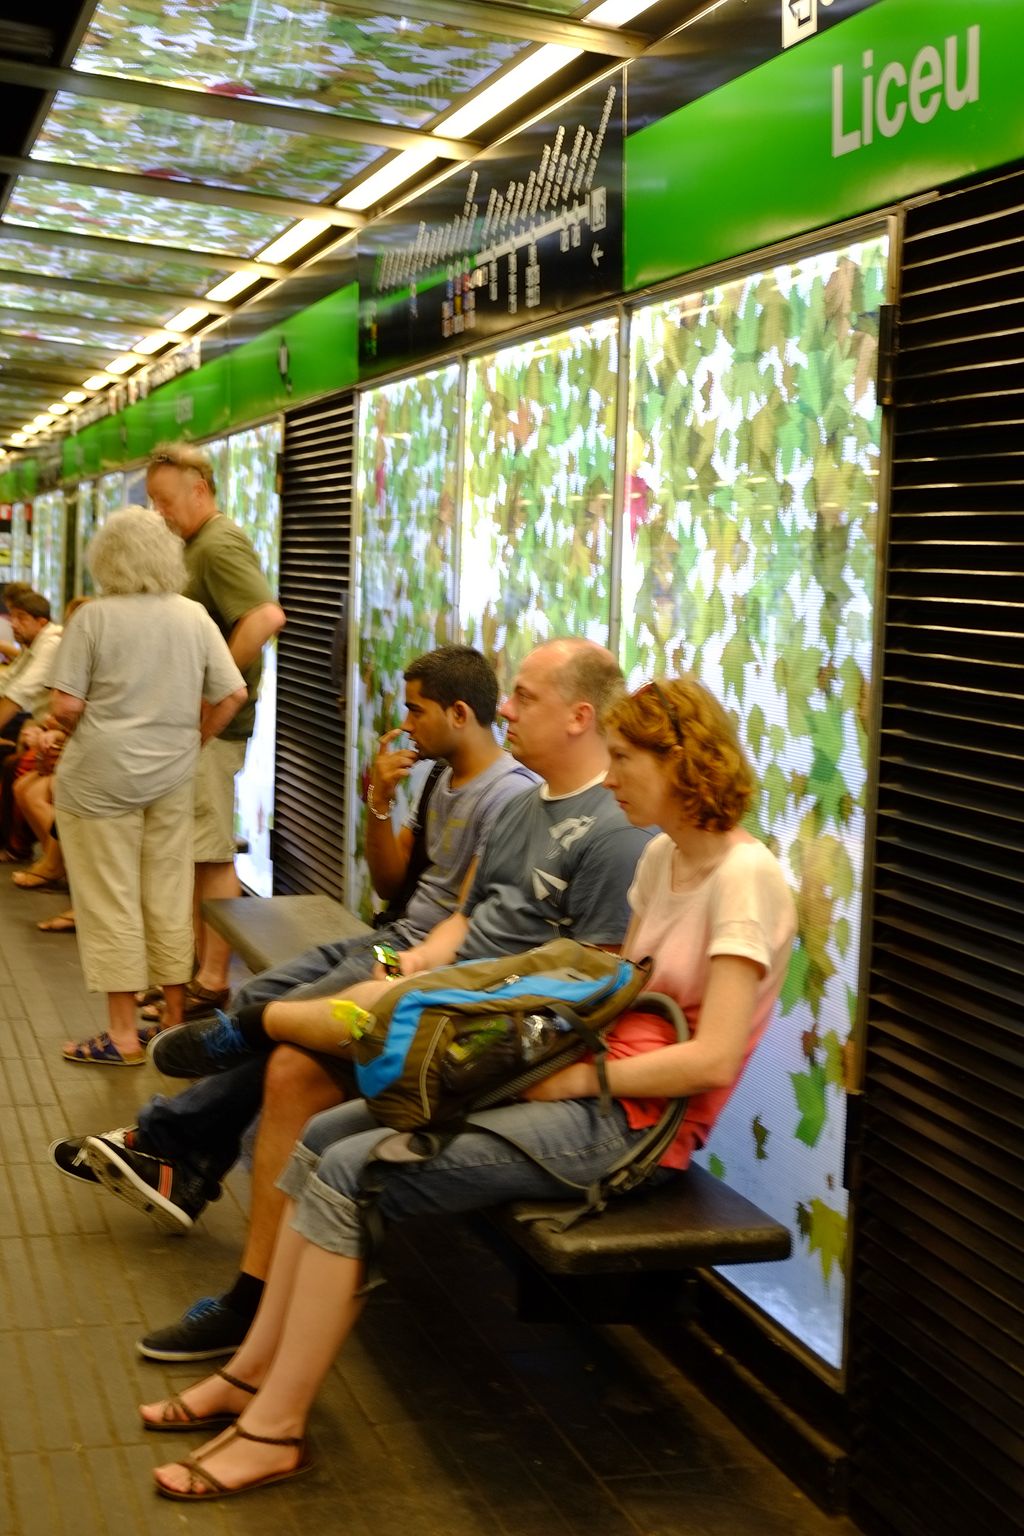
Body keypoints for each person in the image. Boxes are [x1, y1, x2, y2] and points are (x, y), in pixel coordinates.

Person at [139, 673, 797, 1502]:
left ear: (682, 763)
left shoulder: (746, 877)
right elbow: (615, 989)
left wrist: (562, 1080)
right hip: (580, 1085)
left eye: (627, 758)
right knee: (323, 1137)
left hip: (632, 1123)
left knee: (354, 1174)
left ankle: (275, 1427)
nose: (615, 773)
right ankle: (249, 1377)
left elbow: (710, 1061)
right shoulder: (664, 855)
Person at [55, 638, 648, 1362]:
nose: (509, 708)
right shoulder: (526, 806)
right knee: (293, 1067)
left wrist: (423, 982)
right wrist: (415, 963)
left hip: (489, 1035)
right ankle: (251, 1290)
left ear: (580, 716)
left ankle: (237, 1048)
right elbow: (461, 915)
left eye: (526, 696)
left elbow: (592, 987)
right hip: (432, 985)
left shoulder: (616, 833)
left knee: (300, 1024)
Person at [51, 506, 247, 1065]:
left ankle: (121, 1037)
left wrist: (80, 729)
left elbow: (66, 703)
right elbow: (232, 694)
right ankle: (172, 1024)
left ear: (107, 558)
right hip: (172, 774)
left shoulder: (94, 618)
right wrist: (197, 739)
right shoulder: (193, 617)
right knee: (167, 891)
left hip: (99, 780)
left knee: (110, 898)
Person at [145, 443, 286, 1018]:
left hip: (212, 729)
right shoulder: (198, 544)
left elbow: (265, 617)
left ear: (200, 490)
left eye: (166, 501)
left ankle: (210, 979)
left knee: (208, 853)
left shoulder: (219, 543)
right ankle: (192, 973)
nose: (159, 513)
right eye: (152, 502)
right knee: (196, 850)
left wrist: (216, 689)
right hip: (196, 727)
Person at [0, 590, 64, 860]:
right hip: (47, 728)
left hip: (57, 731)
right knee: (13, 767)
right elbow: (8, 683)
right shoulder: (37, 644)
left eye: (21, 618)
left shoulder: (51, 642)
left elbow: (18, 695)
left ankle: (49, 857)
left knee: (16, 768)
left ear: (41, 621)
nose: (13, 624)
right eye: (12, 616)